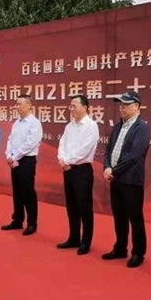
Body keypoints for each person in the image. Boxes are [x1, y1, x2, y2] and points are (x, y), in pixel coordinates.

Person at [101, 91, 151, 268]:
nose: (121, 108)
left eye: (126, 105)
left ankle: (138, 253)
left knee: (134, 217)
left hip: (131, 180)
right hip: (115, 179)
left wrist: (113, 170)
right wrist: (106, 166)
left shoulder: (141, 128)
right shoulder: (118, 126)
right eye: (120, 105)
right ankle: (120, 247)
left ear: (136, 106)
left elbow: (134, 155)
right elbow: (108, 149)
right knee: (119, 216)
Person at [56, 95, 100, 255]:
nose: (72, 109)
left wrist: (67, 160)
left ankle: (86, 241)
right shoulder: (69, 126)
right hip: (68, 170)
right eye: (71, 106)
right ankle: (74, 237)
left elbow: (85, 149)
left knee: (84, 207)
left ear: (85, 108)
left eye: (74, 106)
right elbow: (62, 144)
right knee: (72, 206)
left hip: (82, 170)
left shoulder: (91, 126)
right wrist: (61, 159)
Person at [1, 95, 43, 236]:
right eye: (16, 104)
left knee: (28, 192)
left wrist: (14, 157)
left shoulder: (34, 123)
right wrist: (8, 154)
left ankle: (32, 223)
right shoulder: (17, 122)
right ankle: (17, 220)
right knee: (17, 191)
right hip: (14, 159)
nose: (17, 107)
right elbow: (10, 140)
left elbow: (29, 144)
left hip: (27, 161)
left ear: (29, 105)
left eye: (20, 104)